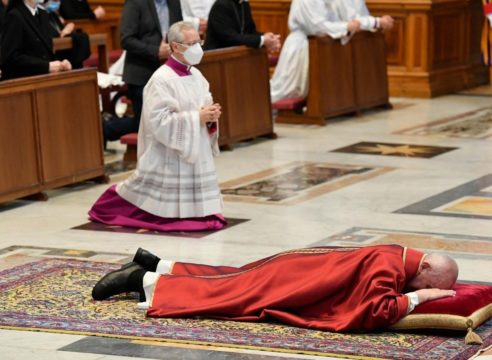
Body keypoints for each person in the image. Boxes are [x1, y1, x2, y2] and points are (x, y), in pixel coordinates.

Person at [92, 245, 459, 332]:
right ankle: (140, 281)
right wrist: (418, 298)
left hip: (299, 269)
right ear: (425, 265)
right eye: (428, 282)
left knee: (231, 278)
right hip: (295, 281)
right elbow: (373, 312)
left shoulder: (400, 256)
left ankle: (156, 264)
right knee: (230, 296)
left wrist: (421, 291)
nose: (424, 288)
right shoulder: (390, 266)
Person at [89, 21, 226, 232]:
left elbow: (204, 104)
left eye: (199, 41)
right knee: (142, 194)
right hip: (168, 153)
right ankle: (109, 205)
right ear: (174, 47)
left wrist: (210, 115)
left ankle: (199, 211)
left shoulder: (197, 75)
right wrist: (196, 118)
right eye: (191, 43)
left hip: (194, 148)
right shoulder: (161, 79)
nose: (197, 47)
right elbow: (158, 121)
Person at [269, 0, 394, 103]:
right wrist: (346, 27)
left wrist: (374, 22)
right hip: (302, 45)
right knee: (284, 91)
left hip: (317, 44)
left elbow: (347, 16)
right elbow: (318, 27)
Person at [104, 0, 184, 142]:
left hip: (170, 73)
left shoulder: (174, 3)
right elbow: (126, 39)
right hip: (142, 74)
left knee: (169, 119)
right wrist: (155, 51)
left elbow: (180, 32)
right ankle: (105, 129)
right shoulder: (136, 2)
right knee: (147, 123)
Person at [1, 0, 72, 80]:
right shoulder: (14, 16)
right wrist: (46, 66)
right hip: (24, 81)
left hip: (44, 78)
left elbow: (46, 51)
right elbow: (10, 58)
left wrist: (61, 64)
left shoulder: (43, 13)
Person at [204, 0, 280, 52]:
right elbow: (230, 38)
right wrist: (262, 40)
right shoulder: (221, 5)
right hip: (216, 60)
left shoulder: (243, 4)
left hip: (236, 56)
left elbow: (250, 31)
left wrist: (268, 37)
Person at [44, 0, 90, 69]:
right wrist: (64, 31)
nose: (58, 2)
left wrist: (67, 29)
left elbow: (61, 31)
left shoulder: (53, 14)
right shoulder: (41, 16)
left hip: (64, 50)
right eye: (54, 0)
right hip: (54, 55)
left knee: (81, 37)